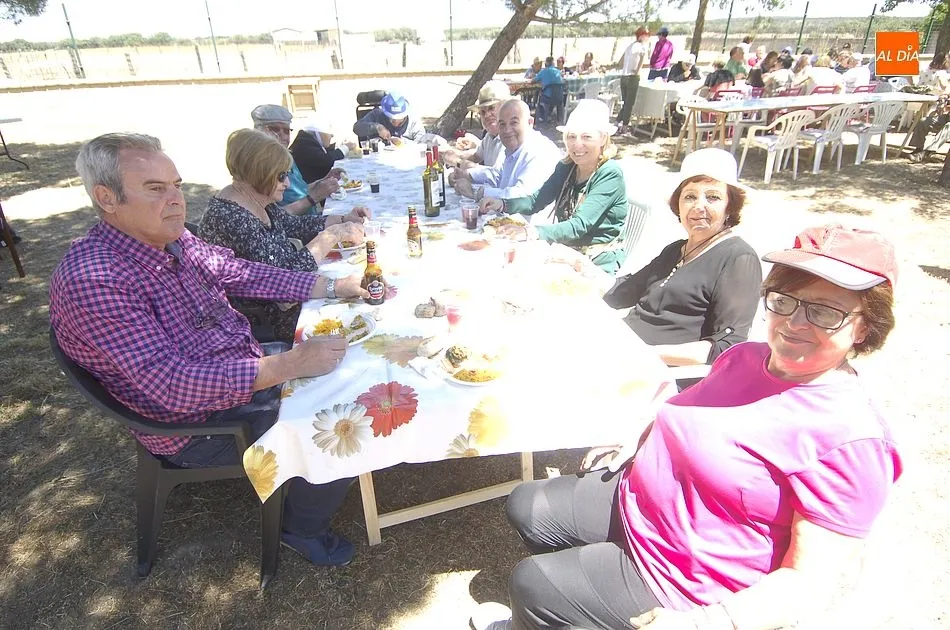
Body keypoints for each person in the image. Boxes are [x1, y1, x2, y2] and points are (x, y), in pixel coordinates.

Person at [471, 223, 902, 630]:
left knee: (533, 584)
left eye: (825, 312)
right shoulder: (747, 357)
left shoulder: (850, 439)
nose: (794, 322)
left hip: (686, 572)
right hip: (640, 501)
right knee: (526, 506)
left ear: (865, 328)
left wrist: (707, 623)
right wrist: (640, 430)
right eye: (785, 300)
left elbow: (811, 580)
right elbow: (688, 410)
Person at [50, 133, 372, 568]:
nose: (176, 200)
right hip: (196, 425)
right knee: (345, 420)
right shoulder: (96, 279)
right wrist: (288, 364)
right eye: (155, 189)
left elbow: (239, 272)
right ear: (106, 197)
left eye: (176, 185)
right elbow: (172, 386)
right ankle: (302, 527)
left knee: (354, 368)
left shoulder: (170, 238)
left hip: (235, 363)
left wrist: (331, 285)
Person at [198, 128, 368, 342]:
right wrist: (332, 235)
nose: (287, 183)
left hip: (291, 300)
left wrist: (343, 219)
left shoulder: (255, 197)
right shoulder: (231, 217)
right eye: (281, 176)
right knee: (365, 310)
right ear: (258, 173)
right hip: (266, 323)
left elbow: (292, 224)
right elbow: (287, 279)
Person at [603, 148, 761, 368]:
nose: (699, 206)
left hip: (662, 371)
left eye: (713, 197)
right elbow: (624, 291)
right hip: (621, 351)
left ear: (730, 207)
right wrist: (579, 272)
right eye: (690, 197)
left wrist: (645, 354)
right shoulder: (676, 249)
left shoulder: (738, 258)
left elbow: (728, 345)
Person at [478, 100, 627, 274]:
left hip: (597, 261)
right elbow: (535, 201)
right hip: (566, 253)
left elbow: (578, 225)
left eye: (587, 137)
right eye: (571, 136)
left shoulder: (609, 174)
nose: (577, 144)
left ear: (603, 139)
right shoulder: (567, 167)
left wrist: (529, 232)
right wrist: (502, 204)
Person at [452, 99, 561, 202]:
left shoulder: (540, 150)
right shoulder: (514, 148)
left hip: (531, 216)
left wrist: (475, 193)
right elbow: (498, 176)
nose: (507, 130)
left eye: (514, 123)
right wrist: (467, 175)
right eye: (502, 124)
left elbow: (521, 195)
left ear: (530, 123)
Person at [251, 104, 341, 216]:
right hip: (295, 224)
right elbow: (273, 217)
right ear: (260, 131)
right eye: (275, 129)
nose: (283, 136)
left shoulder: (287, 157)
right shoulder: (259, 165)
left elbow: (299, 191)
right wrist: (313, 198)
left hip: (310, 218)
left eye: (286, 131)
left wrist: (323, 180)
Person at [441, 81, 508, 170]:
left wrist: (457, 162)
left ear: (506, 108)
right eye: (482, 112)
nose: (487, 115)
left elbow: (494, 174)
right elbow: (476, 156)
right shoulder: (490, 136)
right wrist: (451, 154)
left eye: (491, 108)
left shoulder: (509, 137)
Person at [289, 120, 353, 185]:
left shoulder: (307, 141)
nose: (332, 135)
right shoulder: (304, 144)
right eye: (329, 133)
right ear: (318, 133)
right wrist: (345, 148)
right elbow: (324, 160)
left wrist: (329, 175)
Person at [352, 90, 427, 142]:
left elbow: (422, 142)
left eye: (400, 119)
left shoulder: (413, 121)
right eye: (392, 119)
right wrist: (377, 128)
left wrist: (404, 143)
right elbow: (357, 128)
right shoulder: (378, 114)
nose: (396, 123)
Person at [616, 27, 650, 134]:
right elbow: (642, 60)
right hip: (632, 77)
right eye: (646, 35)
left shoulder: (630, 46)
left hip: (624, 76)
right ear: (642, 35)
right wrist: (637, 71)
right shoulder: (642, 46)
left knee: (626, 102)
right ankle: (625, 125)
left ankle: (617, 121)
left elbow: (620, 62)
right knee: (629, 103)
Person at [534, 56, 565, 124]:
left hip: (548, 98)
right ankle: (559, 120)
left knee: (539, 96)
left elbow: (534, 80)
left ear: (546, 64)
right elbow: (562, 81)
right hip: (559, 97)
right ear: (553, 63)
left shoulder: (543, 72)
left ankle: (542, 117)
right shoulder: (558, 72)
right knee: (554, 97)